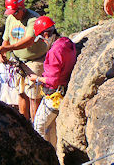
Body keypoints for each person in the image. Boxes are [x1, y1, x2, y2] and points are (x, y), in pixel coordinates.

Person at [0, 0, 47, 121]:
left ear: (22, 8)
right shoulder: (11, 18)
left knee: (34, 96)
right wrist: (3, 52)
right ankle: (25, 124)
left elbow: (29, 40)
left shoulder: (33, 19)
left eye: (15, 12)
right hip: (19, 61)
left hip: (35, 60)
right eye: (11, 12)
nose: (13, 15)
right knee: (21, 93)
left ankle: (36, 127)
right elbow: (6, 38)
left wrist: (8, 48)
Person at [28, 16, 77, 148]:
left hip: (53, 95)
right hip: (62, 90)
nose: (43, 41)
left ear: (45, 34)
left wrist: (36, 78)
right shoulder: (66, 42)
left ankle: (46, 156)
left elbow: (53, 80)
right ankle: (55, 153)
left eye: (42, 38)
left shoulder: (55, 51)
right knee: (52, 127)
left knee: (39, 127)